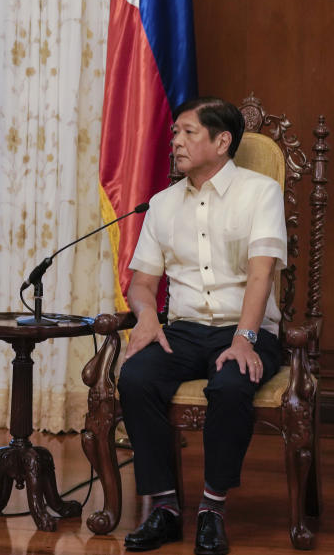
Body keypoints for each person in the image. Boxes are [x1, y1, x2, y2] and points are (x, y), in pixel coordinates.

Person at [118, 97, 286, 555]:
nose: (176, 142)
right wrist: (149, 318)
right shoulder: (162, 203)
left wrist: (244, 339)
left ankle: (211, 509)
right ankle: (166, 509)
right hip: (186, 329)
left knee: (231, 386)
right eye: (175, 133)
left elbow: (261, 273)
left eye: (188, 132)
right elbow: (143, 283)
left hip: (248, 329)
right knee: (135, 378)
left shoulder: (260, 192)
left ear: (222, 141)